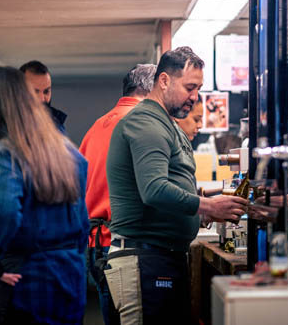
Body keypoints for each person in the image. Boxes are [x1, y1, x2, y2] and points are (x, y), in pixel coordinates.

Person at [105, 47, 247, 324]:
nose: (195, 97)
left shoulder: (165, 125)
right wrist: (207, 205)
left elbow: (169, 187)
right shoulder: (146, 123)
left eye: (199, 88)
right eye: (190, 87)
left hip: (161, 257)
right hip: (143, 258)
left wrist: (199, 212)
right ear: (164, 81)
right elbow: (154, 189)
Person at [0, 66, 89, 325]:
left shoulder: (4, 152)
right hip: (70, 275)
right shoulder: (65, 149)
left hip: (25, 275)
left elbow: (5, 211)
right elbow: (82, 219)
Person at [79, 63, 157, 325]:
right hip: (125, 245)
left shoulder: (96, 127)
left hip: (96, 244)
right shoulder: (141, 125)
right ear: (149, 90)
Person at [19, 60, 67, 133]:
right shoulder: (9, 126)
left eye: (46, 91)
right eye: (35, 92)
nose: (42, 99)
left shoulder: (57, 124)